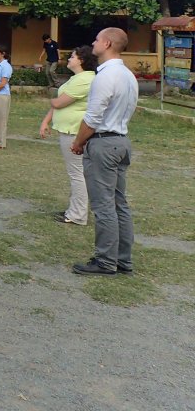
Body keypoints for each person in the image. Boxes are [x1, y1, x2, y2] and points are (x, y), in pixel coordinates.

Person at [70, 28, 139, 275]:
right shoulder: (128, 75)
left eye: (97, 39)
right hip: (120, 140)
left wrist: (78, 142)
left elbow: (92, 117)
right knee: (120, 203)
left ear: (107, 43)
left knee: (103, 205)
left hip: (104, 143)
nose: (93, 42)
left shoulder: (105, 76)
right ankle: (123, 259)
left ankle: (106, 260)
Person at [40, 45, 98, 225]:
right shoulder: (76, 78)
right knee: (76, 172)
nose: (69, 59)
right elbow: (59, 103)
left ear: (81, 60)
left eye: (72, 57)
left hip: (75, 131)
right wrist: (46, 121)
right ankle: (74, 209)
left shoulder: (86, 79)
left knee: (77, 173)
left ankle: (78, 214)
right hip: (68, 128)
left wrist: (52, 101)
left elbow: (60, 102)